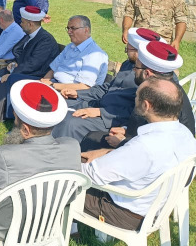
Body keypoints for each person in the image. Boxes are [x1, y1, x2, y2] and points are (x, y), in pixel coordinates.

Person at [0, 81, 79, 242]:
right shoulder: (72, 148)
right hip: (48, 227)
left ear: (26, 130)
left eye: (15, 120)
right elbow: (71, 195)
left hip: (4, 229)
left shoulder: (4, 157)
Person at [81, 77, 196, 230]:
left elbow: (92, 175)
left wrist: (68, 164)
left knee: (60, 179)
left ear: (146, 105)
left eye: (136, 96)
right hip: (153, 208)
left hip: (123, 213)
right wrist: (107, 152)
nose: (135, 99)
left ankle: (62, 229)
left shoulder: (146, 145)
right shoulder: (185, 135)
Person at [80, 39, 194, 156]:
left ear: (147, 73)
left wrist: (123, 142)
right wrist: (126, 129)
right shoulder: (159, 88)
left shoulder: (162, 97)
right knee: (92, 136)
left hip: (151, 156)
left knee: (90, 141)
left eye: (136, 67)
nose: (134, 70)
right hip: (138, 141)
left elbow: (158, 147)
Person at [51, 28, 163, 142]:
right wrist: (78, 93)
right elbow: (109, 88)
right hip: (99, 104)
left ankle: (60, 150)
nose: (126, 52)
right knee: (58, 104)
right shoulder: (128, 64)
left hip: (113, 119)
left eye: (127, 49)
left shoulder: (150, 78)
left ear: (138, 51)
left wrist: (101, 112)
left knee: (70, 122)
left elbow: (138, 112)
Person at [0, 6, 60, 119]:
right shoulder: (30, 35)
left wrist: (13, 73)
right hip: (24, 68)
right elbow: (21, 54)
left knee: (8, 79)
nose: (20, 24)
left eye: (22, 22)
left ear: (30, 24)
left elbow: (33, 64)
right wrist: (14, 63)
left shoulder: (45, 40)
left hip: (36, 74)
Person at [121, 0, 188, 50]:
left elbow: (181, 20)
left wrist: (177, 40)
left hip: (162, 43)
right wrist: (126, 30)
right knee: (134, 58)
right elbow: (129, 14)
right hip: (139, 40)